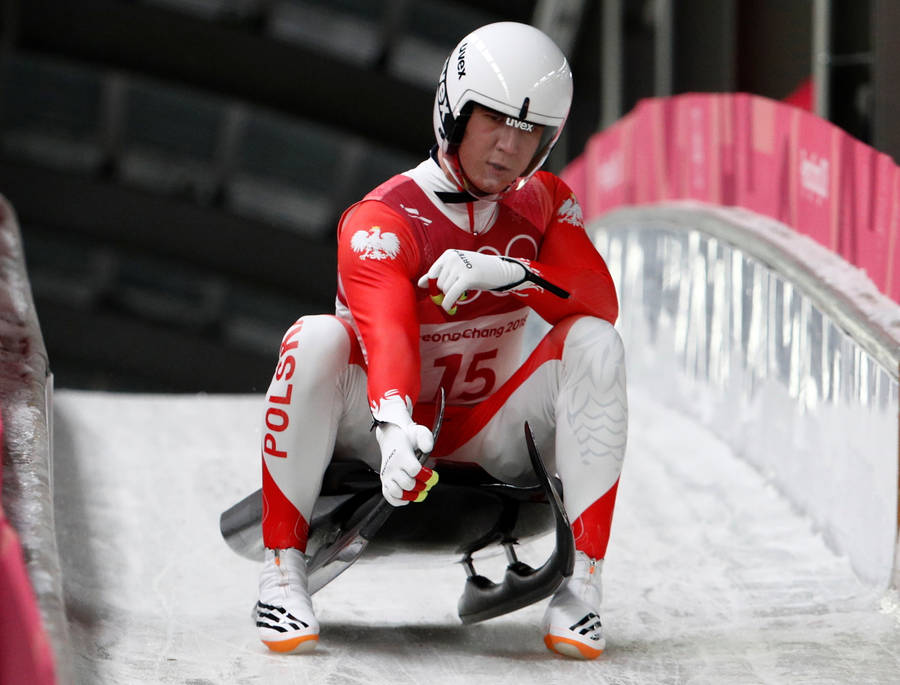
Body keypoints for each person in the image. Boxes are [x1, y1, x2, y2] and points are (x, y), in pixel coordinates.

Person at [254, 21, 628, 660]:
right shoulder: (383, 220)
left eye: (529, 132)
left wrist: (516, 274)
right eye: (494, 123)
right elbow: (388, 330)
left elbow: (601, 300)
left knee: (595, 342)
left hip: (493, 433)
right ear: (454, 115)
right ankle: (280, 567)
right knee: (315, 338)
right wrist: (395, 430)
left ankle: (584, 588)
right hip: (384, 435)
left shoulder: (544, 203)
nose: (509, 147)